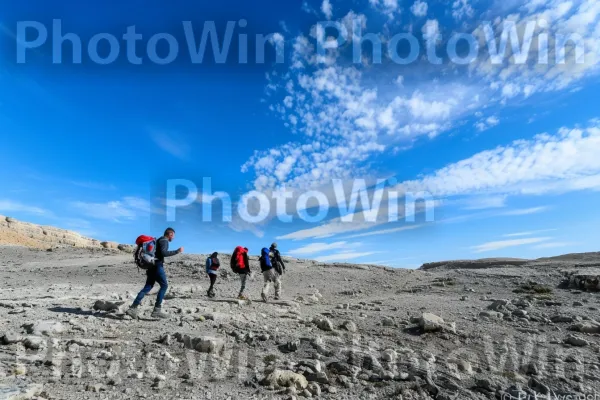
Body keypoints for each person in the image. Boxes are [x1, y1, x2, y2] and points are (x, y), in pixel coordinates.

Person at [126, 228, 183, 319]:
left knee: (147, 287)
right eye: (173, 236)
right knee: (164, 286)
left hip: (151, 266)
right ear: (170, 234)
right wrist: (177, 251)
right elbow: (164, 253)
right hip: (157, 266)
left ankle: (133, 308)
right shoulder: (164, 241)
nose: (174, 238)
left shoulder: (158, 240)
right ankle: (157, 310)